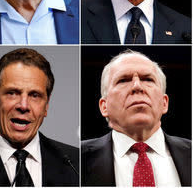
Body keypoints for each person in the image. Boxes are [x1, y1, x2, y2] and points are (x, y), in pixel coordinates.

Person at [0, 48, 79, 186]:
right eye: (13, 93)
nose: (23, 105)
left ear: (46, 105)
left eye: (34, 95)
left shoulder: (76, 164)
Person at [81, 50, 191, 186]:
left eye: (147, 79)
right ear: (104, 106)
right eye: (123, 80)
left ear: (164, 103)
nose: (137, 86)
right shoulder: (76, 159)